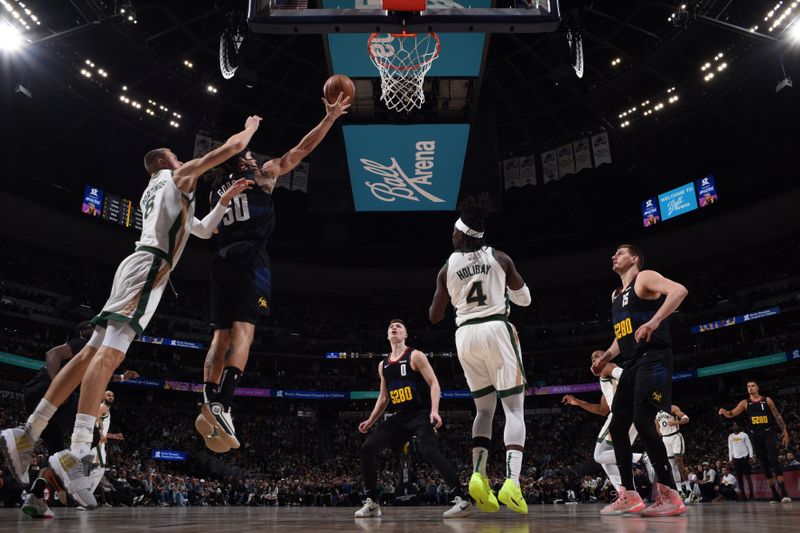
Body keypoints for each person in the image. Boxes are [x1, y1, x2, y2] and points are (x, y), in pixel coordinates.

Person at [0, 115, 263, 510]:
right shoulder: (177, 177)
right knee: (111, 353)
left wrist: (224, 200)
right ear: (163, 162)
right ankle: (75, 451)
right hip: (150, 268)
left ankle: (29, 433)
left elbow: (203, 230)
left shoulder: (155, 190)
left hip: (137, 264)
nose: (181, 158)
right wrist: (249, 131)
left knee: (90, 351)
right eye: (175, 155)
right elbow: (227, 150)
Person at [196, 94, 351, 453]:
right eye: (251, 155)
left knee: (218, 339)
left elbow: (214, 230)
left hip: (220, 261)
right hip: (251, 260)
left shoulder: (216, 193)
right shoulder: (262, 176)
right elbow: (301, 149)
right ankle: (225, 404)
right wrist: (328, 119)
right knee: (243, 333)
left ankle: (208, 397)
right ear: (243, 162)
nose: (256, 158)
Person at [429, 194, 532, 514]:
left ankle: (479, 474)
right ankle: (512, 482)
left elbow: (434, 316)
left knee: (484, 411)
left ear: (462, 234)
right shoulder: (501, 258)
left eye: (453, 231)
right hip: (496, 329)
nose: (451, 235)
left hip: (465, 336)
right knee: (514, 410)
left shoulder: (447, 266)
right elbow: (525, 300)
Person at [591, 244, 688, 516]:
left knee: (644, 421)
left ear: (634, 259)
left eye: (619, 253)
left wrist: (655, 321)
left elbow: (679, 291)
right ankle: (629, 494)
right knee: (618, 427)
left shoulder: (644, 278)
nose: (613, 256)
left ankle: (671, 494)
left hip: (655, 358)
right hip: (632, 363)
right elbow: (623, 336)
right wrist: (606, 357)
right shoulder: (615, 295)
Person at [14, 323, 138, 518]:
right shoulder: (83, 344)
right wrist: (58, 386)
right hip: (48, 390)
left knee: (54, 456)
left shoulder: (88, 356)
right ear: (84, 331)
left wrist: (122, 377)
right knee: (94, 436)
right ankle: (73, 470)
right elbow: (52, 354)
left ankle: (35, 496)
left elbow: (101, 374)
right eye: (94, 327)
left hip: (34, 397)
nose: (100, 330)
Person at [355, 319, 472, 519]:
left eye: (399, 327)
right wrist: (371, 421)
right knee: (368, 448)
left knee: (428, 449)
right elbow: (384, 398)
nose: (394, 328)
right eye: (391, 326)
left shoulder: (415, 355)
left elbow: (434, 383)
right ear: (387, 335)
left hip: (420, 413)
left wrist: (435, 411)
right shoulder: (383, 365)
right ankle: (373, 502)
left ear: (405, 335)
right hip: (400, 418)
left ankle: (462, 499)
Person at [561, 352, 653, 494]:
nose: (594, 360)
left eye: (597, 356)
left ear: (606, 358)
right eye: (592, 359)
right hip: (629, 414)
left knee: (599, 456)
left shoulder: (607, 367)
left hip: (622, 414)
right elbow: (602, 410)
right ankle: (627, 493)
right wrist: (577, 402)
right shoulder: (607, 384)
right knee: (608, 459)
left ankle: (643, 457)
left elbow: (628, 377)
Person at [719, 380, 792, 503]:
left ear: (757, 387)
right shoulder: (745, 403)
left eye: (753, 386)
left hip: (768, 433)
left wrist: (785, 431)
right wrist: (725, 412)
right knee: (765, 464)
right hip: (756, 436)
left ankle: (784, 492)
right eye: (748, 386)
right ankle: (774, 494)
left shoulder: (767, 400)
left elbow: (777, 416)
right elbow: (732, 413)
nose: (750, 388)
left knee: (774, 460)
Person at [655, 404, 689, 497]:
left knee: (679, 463)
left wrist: (675, 423)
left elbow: (686, 419)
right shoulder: (656, 411)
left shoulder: (672, 408)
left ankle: (689, 489)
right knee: (672, 467)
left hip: (675, 437)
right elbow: (657, 427)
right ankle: (680, 491)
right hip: (665, 439)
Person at [727, 421, 754, 500]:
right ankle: (743, 495)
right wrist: (730, 459)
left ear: (739, 426)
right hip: (736, 459)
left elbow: (749, 446)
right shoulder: (730, 436)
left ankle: (752, 494)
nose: (735, 426)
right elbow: (730, 448)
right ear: (732, 427)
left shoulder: (744, 435)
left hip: (745, 457)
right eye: (733, 425)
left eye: (736, 424)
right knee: (739, 478)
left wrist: (751, 457)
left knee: (747, 476)